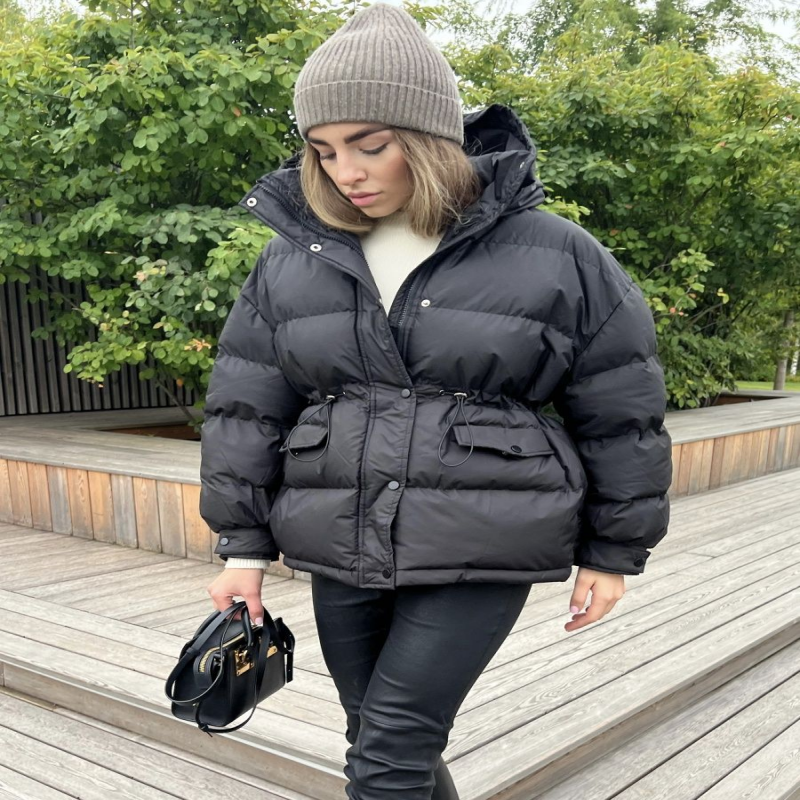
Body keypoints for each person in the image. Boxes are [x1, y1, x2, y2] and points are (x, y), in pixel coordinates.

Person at [199, 3, 673, 798]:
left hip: (486, 528)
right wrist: (241, 549)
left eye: (370, 145)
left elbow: (621, 408)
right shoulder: (294, 259)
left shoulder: (556, 253)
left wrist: (613, 550)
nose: (345, 171)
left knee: (389, 750)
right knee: (380, 738)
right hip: (341, 529)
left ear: (428, 137)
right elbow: (247, 405)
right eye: (323, 150)